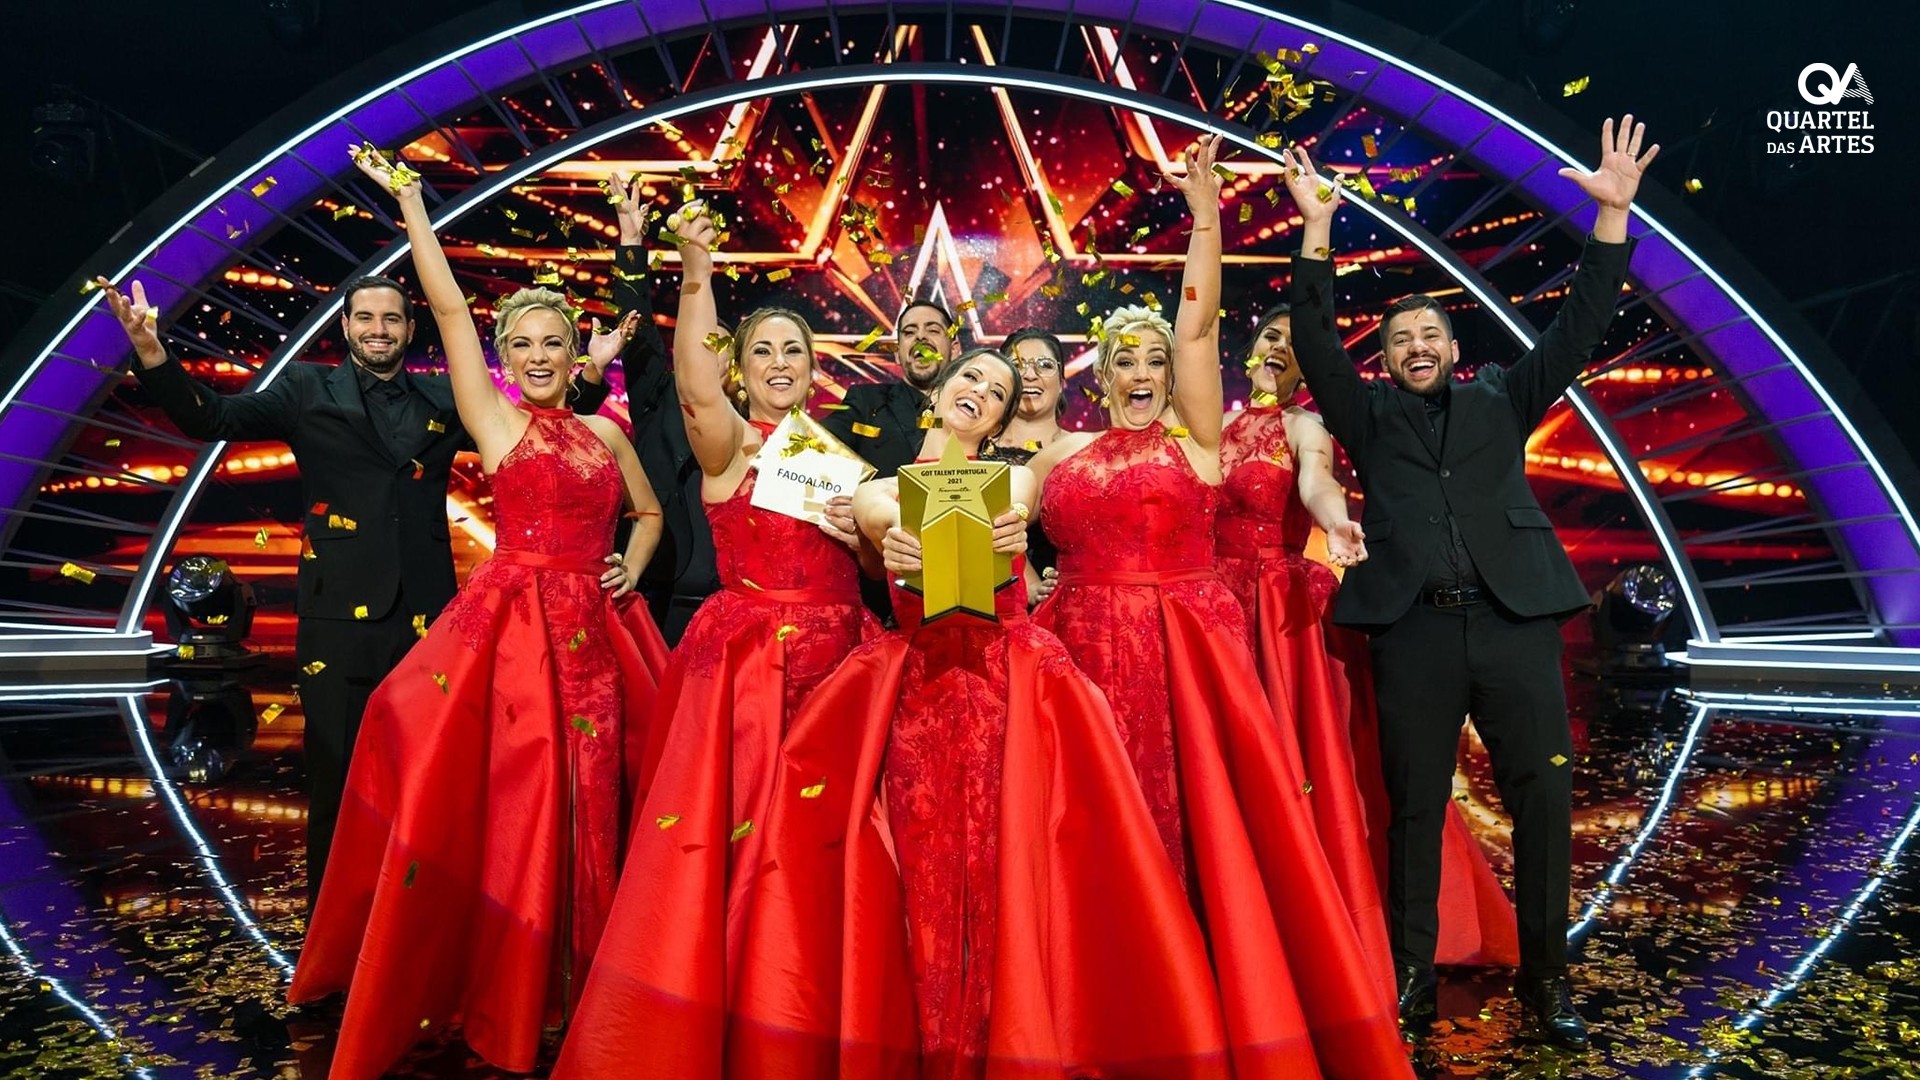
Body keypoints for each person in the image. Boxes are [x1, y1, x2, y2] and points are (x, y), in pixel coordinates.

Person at [564, 348, 1237, 1077]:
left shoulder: (1013, 477)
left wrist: (1005, 529)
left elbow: (1011, 504)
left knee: (1021, 863)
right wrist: (894, 536)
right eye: (970, 377)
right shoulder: (874, 486)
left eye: (997, 390)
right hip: (919, 689)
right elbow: (881, 516)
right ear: (939, 391)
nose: (979, 390)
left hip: (1011, 684)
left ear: (1002, 420)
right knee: (912, 871)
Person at [1030, 135, 1410, 1076]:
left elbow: (1199, 330)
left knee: (1196, 820)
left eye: (1156, 357)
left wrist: (1205, 219)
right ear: (1100, 372)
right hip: (1075, 663)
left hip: (1183, 659)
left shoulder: (1200, 441)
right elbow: (974, 517)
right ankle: (1093, 991)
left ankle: (1198, 989)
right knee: (1086, 827)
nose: (1144, 368)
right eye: (1126, 358)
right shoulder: (1052, 453)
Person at [285, 147, 669, 1079]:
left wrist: (628, 568)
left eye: (552, 343)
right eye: (521, 345)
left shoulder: (607, 431)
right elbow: (450, 308)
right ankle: (517, 984)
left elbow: (651, 513)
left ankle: (588, 982)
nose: (537, 357)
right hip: (515, 634)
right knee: (523, 806)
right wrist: (414, 206)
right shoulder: (495, 422)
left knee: (601, 797)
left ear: (575, 354)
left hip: (600, 634)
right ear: (503, 358)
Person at [1280, 116, 1657, 1049]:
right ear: (1384, 358)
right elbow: (1316, 340)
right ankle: (1410, 978)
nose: (1415, 345)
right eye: (1400, 338)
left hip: (1513, 624)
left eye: (1430, 334)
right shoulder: (1366, 414)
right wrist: (1316, 229)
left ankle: (1547, 980)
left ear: (1452, 348)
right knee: (1414, 808)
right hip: (1413, 631)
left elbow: (1578, 328)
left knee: (1544, 803)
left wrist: (1611, 220)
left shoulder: (1503, 399)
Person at [101, 268, 613, 903]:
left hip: (433, 622)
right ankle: (333, 930)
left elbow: (544, 428)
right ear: (345, 327)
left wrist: (591, 373)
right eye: (366, 318)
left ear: (409, 329)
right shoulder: (304, 389)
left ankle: (413, 924)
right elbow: (211, 416)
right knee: (337, 780)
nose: (379, 329)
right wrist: (152, 352)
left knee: (429, 781)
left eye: (391, 318)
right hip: (337, 620)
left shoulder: (445, 397)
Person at [548, 201, 880, 1078]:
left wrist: (863, 536)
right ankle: (737, 1009)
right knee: (742, 841)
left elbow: (873, 563)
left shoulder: (839, 459)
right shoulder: (729, 443)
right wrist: (696, 272)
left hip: (841, 666)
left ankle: (811, 999)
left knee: (822, 846)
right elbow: (694, 384)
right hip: (752, 666)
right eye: (762, 351)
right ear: (743, 365)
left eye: (793, 351)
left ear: (814, 367)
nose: (779, 364)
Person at [1217, 304, 1519, 972]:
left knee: (1298, 766)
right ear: (1249, 346)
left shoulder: (1305, 426)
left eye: (1296, 345)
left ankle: (1303, 922)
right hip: (1207, 609)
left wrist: (1336, 521)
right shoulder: (1202, 427)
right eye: (1270, 336)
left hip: (1274, 611)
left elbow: (1316, 482)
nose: (1278, 349)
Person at [592, 171, 721, 646]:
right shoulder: (658, 398)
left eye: (718, 346)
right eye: (699, 343)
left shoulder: (756, 428)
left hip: (730, 604)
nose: (706, 353)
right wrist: (631, 242)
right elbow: (638, 330)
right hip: (653, 595)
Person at [819, 298, 958, 479]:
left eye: (933, 330)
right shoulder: (865, 402)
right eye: (909, 332)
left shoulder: (975, 409)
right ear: (897, 354)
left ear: (954, 350)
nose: (920, 337)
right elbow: (815, 446)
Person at [984, 326, 1067, 608]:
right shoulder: (970, 447)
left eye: (1044, 365)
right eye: (1018, 365)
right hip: (982, 601)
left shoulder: (1082, 450)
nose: (1030, 374)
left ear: (1062, 381)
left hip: (1060, 599)